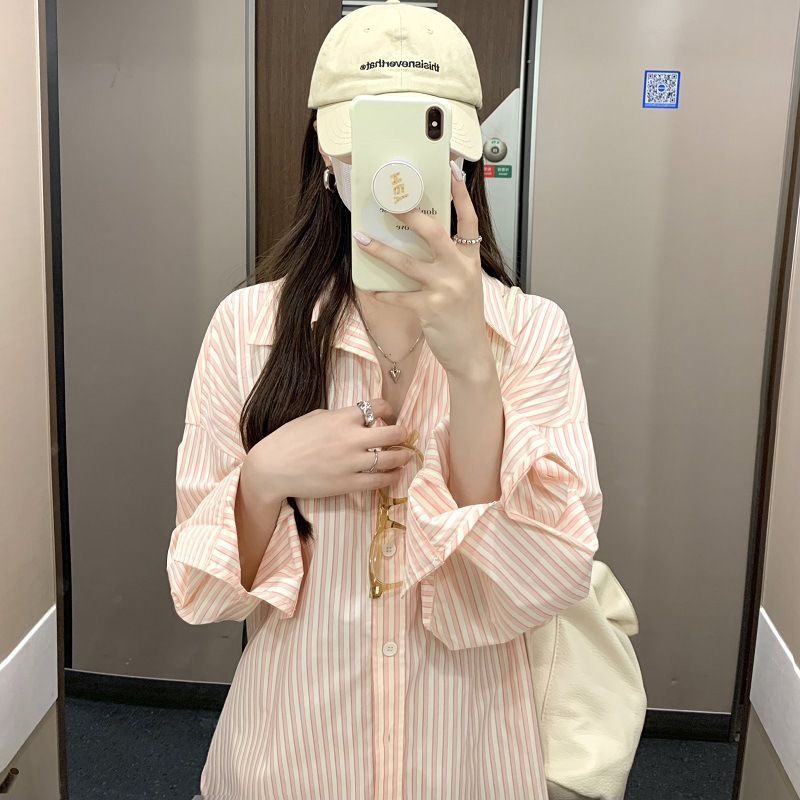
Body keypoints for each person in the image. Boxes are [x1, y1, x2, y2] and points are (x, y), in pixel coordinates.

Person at [166, 1, 602, 798]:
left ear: (462, 158)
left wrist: (473, 374)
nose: (391, 175)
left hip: (466, 763)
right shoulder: (247, 330)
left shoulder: (531, 333)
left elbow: (540, 582)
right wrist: (264, 477)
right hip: (289, 761)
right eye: (363, 144)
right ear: (326, 158)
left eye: (420, 142)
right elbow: (202, 592)